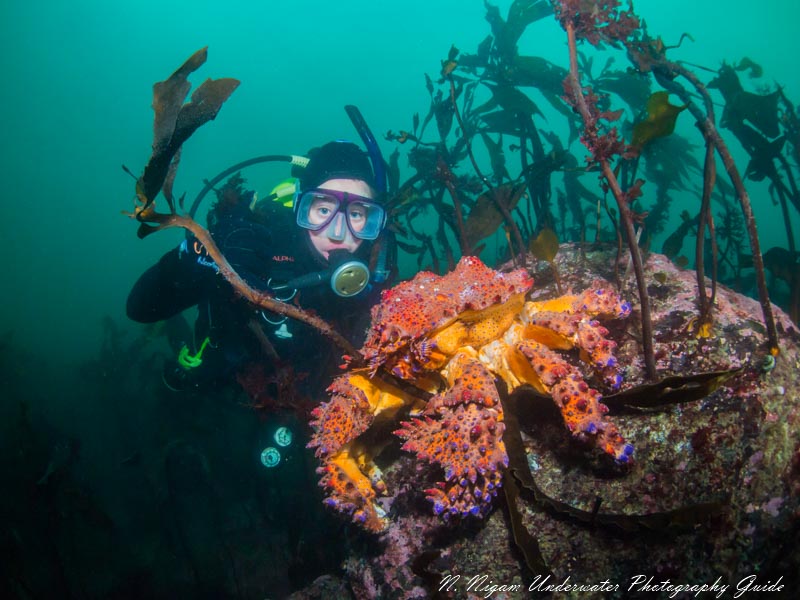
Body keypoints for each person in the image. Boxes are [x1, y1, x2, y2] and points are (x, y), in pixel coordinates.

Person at [126, 140, 394, 396]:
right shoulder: (261, 242)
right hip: (227, 377)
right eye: (323, 210)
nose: (338, 233)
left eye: (357, 214)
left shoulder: (377, 267)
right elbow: (139, 307)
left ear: (373, 221)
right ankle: (174, 329)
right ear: (300, 206)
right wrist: (201, 253)